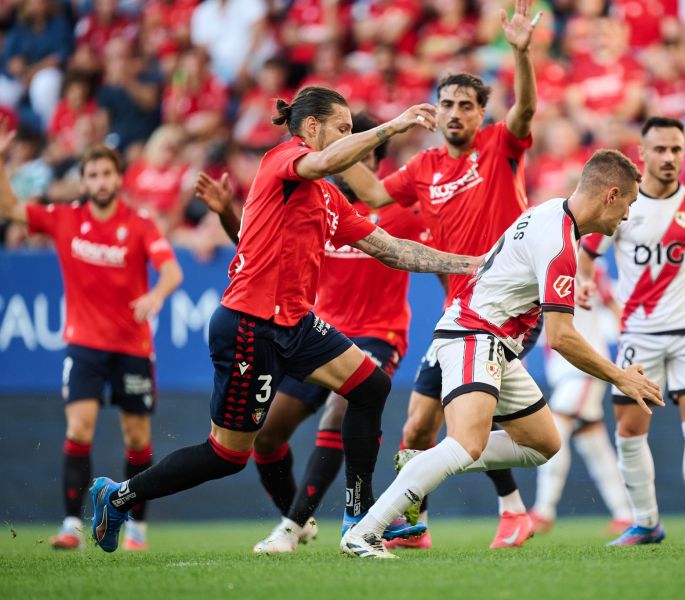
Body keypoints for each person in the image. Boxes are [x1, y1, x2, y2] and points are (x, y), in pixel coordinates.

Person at [87, 86, 483, 553]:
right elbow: (319, 164)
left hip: (295, 324)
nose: (346, 142)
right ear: (311, 128)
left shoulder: (330, 201)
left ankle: (359, 515)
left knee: (370, 387)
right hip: (248, 326)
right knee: (226, 456)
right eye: (342, 129)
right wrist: (394, 125)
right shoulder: (282, 159)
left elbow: (393, 251)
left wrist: (473, 263)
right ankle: (118, 497)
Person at [340, 149, 664, 559]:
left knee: (542, 443)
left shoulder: (551, 213)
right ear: (611, 195)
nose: (627, 216)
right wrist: (620, 376)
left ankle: (424, 462)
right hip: (475, 332)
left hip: (493, 339)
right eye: (629, 204)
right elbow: (562, 338)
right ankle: (364, 532)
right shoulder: (561, 246)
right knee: (466, 444)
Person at [340, 0, 542, 550]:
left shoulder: (501, 147)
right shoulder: (424, 169)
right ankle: (416, 527)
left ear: (481, 113)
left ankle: (512, 509)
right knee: (416, 430)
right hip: (461, 314)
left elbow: (525, 111)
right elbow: (377, 194)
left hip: (510, 308)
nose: (454, 112)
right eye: (446, 103)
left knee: (465, 418)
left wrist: (521, 53)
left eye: (465, 105)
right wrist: (325, 149)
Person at [195, 112, 429, 554]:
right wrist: (226, 209)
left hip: (378, 335)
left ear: (371, 160)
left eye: (351, 152)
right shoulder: (312, 197)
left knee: (342, 407)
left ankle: (307, 523)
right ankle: (302, 523)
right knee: (266, 436)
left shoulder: (400, 213)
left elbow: (422, 252)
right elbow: (251, 243)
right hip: (312, 331)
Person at [0, 130, 184, 551]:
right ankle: (71, 526)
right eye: (93, 174)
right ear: (84, 181)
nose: (101, 181)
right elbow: (9, 207)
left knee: (137, 439)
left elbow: (172, 271)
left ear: (119, 179)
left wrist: (156, 294)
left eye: (107, 173)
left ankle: (137, 526)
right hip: (84, 345)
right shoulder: (65, 218)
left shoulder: (138, 225)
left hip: (132, 347)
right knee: (78, 428)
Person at [582, 116, 685, 546]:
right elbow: (587, 249)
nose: (669, 158)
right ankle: (647, 522)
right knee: (629, 431)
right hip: (639, 333)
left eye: (676, 149)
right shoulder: (624, 206)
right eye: (660, 150)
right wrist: (584, 278)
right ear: (643, 155)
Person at [529, 264, 632, 536]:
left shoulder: (589, 267)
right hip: (565, 371)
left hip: (583, 367)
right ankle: (626, 513)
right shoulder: (543, 264)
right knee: (594, 445)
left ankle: (543, 510)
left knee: (553, 432)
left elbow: (613, 307)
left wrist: (633, 345)